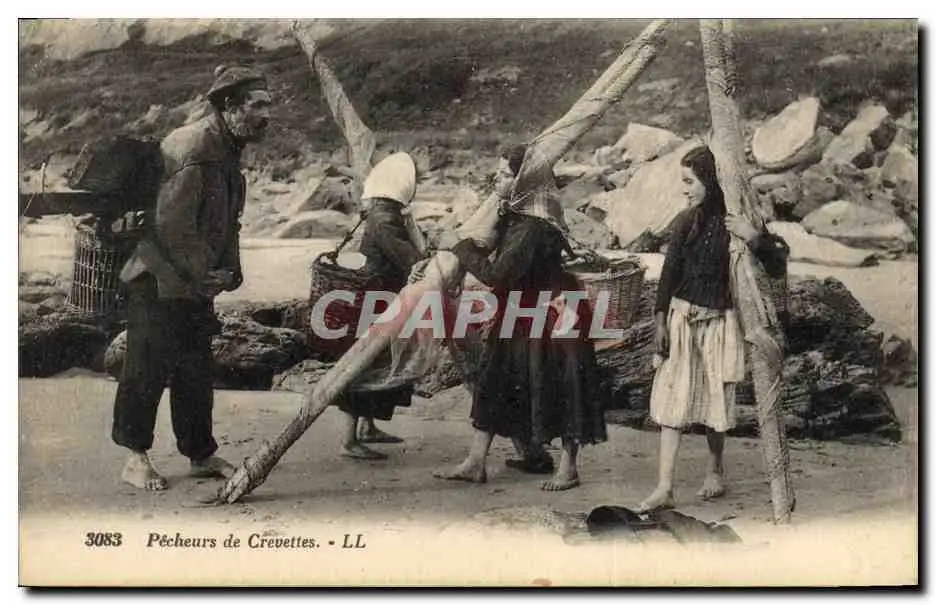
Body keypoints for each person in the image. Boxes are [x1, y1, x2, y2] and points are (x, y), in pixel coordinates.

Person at [112, 65, 272, 490]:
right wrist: (204, 274)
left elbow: (227, 223)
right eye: (258, 105)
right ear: (230, 106)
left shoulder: (227, 148)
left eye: (268, 105)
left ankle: (199, 453)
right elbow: (172, 225)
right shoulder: (195, 147)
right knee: (146, 368)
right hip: (157, 275)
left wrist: (231, 271)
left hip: (191, 280)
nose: (267, 115)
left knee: (196, 371)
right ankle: (135, 458)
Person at [434, 144, 607, 491]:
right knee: (497, 378)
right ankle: (476, 461)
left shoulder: (532, 226)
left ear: (523, 182)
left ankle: (568, 468)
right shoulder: (520, 213)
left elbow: (498, 275)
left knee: (560, 383)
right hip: (525, 307)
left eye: (504, 174)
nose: (496, 179)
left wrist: (459, 246)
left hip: (551, 311)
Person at [635, 145, 789, 513]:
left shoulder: (738, 224)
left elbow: (778, 267)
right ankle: (665, 487)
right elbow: (668, 276)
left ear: (711, 181)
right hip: (682, 321)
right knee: (672, 401)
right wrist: (660, 321)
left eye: (690, 181)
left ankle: (715, 469)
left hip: (720, 323)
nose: (684, 189)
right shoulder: (685, 222)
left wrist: (753, 237)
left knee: (714, 399)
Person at [334, 152, 426, 460]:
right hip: (379, 301)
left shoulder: (381, 213)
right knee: (368, 366)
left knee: (375, 364)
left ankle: (366, 427)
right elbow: (412, 260)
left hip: (378, 298)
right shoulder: (387, 219)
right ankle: (349, 440)